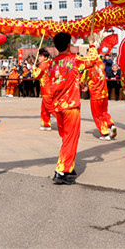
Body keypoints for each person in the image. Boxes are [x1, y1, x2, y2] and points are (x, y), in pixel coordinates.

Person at [47, 32, 98, 185]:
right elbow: (93, 60)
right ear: (69, 45)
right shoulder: (74, 60)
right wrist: (92, 44)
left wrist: (78, 84)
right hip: (70, 105)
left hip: (57, 106)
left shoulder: (52, 63)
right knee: (70, 138)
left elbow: (60, 80)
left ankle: (69, 166)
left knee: (66, 138)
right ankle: (61, 171)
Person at [84, 56, 116, 140]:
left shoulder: (88, 67)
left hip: (95, 94)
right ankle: (111, 125)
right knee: (104, 112)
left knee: (97, 115)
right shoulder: (101, 64)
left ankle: (105, 134)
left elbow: (83, 79)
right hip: (104, 93)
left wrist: (83, 85)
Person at [30, 48, 55, 131]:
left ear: (45, 57)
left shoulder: (43, 65)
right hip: (50, 88)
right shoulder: (50, 63)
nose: (39, 58)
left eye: (41, 56)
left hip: (47, 89)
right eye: (39, 56)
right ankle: (46, 124)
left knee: (50, 108)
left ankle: (64, 121)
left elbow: (36, 76)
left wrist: (33, 69)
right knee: (44, 108)